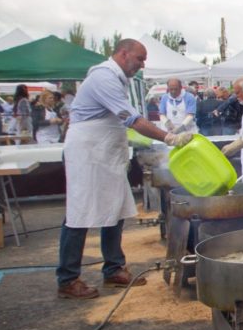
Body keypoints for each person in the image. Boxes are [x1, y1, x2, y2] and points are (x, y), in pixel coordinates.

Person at [57, 39, 193, 299]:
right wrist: (169, 138)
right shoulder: (104, 77)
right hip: (88, 152)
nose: (142, 65)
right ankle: (67, 277)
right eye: (139, 59)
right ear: (123, 53)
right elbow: (131, 118)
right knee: (79, 210)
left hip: (105, 153)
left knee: (115, 208)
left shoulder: (119, 79)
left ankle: (114, 268)